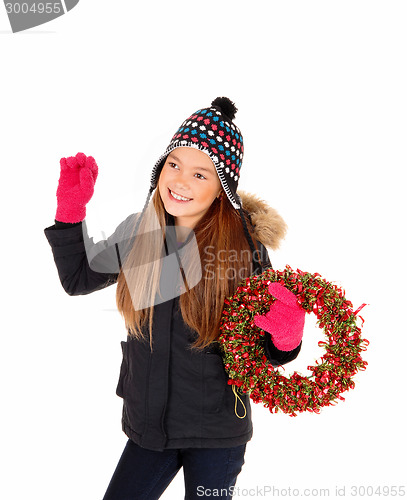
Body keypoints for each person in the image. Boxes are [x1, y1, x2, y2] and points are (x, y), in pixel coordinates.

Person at [44, 97, 302, 500]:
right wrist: (69, 213)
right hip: (150, 426)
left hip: (217, 433)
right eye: (174, 164)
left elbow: (268, 351)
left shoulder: (243, 249)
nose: (180, 181)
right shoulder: (138, 232)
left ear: (223, 189)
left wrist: (286, 337)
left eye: (201, 174)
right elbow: (78, 278)